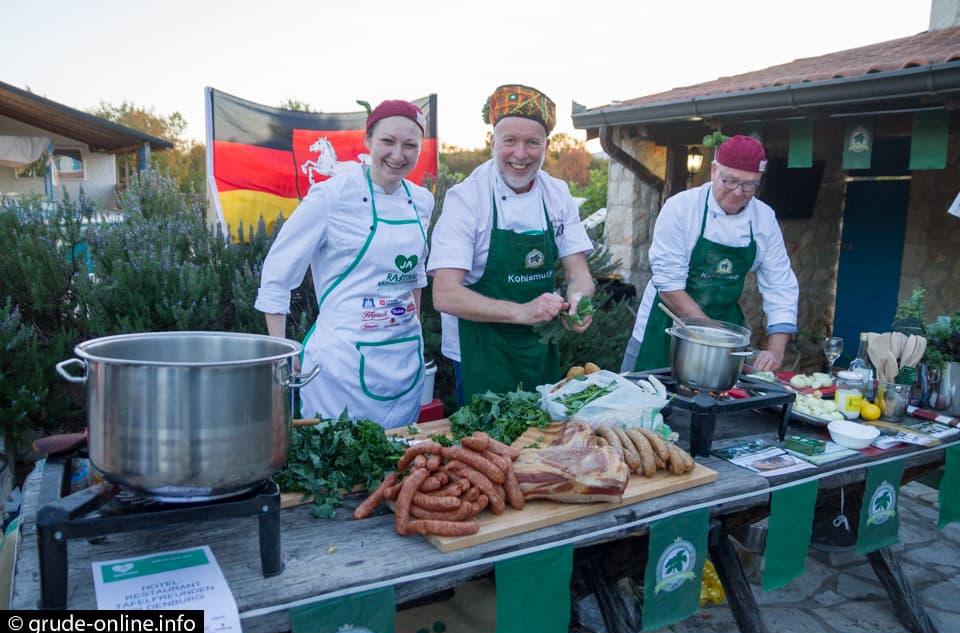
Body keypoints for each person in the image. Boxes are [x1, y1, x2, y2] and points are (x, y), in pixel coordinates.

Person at [255, 100, 434, 429]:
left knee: (398, 467)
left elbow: (415, 278)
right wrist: (284, 355)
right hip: (340, 369)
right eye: (388, 141)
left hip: (403, 361)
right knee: (338, 466)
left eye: (410, 145)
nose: (398, 155)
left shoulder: (422, 200)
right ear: (368, 141)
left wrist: (416, 333)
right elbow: (277, 276)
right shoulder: (331, 197)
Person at [428, 84, 595, 405]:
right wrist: (523, 311)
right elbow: (445, 294)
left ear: (546, 146)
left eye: (532, 143)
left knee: (540, 442)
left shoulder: (556, 194)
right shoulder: (467, 198)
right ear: (493, 142)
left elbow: (579, 274)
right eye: (510, 141)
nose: (520, 154)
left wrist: (578, 301)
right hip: (479, 351)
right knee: (484, 445)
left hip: (539, 348)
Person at [621, 134, 799, 374]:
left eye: (749, 185)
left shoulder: (763, 219)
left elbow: (780, 285)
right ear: (714, 171)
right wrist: (713, 335)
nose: (738, 192)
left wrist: (776, 350)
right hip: (664, 327)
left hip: (724, 330)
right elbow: (670, 287)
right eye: (730, 181)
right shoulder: (681, 208)